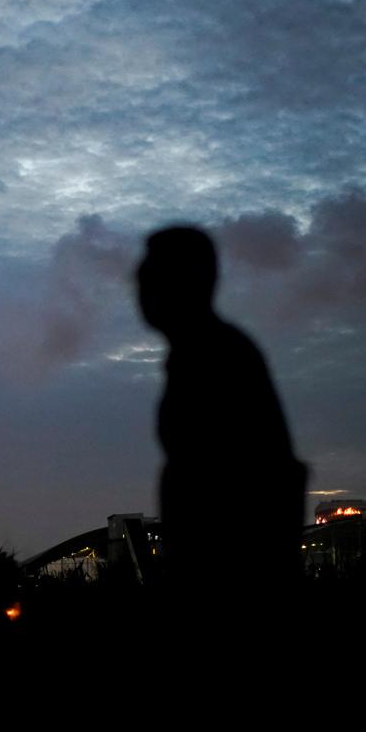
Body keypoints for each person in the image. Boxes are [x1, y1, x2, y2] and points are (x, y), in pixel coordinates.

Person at [137, 226, 306, 610]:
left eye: (150, 274)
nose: (139, 287)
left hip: (230, 587)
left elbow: (257, 478)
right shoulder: (199, 354)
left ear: (185, 281)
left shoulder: (217, 357)